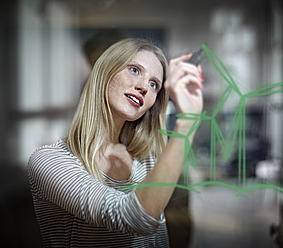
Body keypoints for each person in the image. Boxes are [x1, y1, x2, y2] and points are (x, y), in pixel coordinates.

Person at [28, 38, 204, 247]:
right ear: (105, 71)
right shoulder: (50, 160)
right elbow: (135, 218)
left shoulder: (148, 158)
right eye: (134, 70)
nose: (143, 87)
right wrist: (187, 122)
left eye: (154, 84)